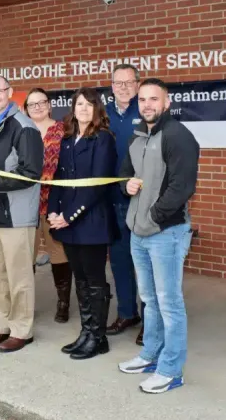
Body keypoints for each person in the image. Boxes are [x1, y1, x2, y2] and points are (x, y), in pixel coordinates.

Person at [116, 78, 199, 394]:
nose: (147, 104)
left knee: (169, 302)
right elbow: (124, 175)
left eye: (154, 99)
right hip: (138, 232)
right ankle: (151, 355)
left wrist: (152, 216)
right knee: (149, 299)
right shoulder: (139, 137)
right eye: (142, 100)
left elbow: (183, 187)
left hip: (166, 232)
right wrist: (127, 186)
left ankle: (171, 370)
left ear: (166, 102)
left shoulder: (178, 136)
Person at [0, 75, 44, 353]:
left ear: (10, 93)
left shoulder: (24, 127)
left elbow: (30, 173)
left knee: (19, 275)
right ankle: (0, 325)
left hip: (15, 214)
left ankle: (21, 329)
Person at [48, 88, 117, 360]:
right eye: (79, 104)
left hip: (92, 221)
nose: (84, 109)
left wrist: (69, 215)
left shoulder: (103, 139)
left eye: (90, 105)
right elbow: (58, 179)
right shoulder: (67, 140)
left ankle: (98, 338)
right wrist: (53, 212)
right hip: (69, 224)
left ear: (97, 109)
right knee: (82, 281)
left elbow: (97, 186)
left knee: (95, 280)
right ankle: (86, 333)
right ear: (72, 108)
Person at [105, 64, 145, 344]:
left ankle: (150, 319)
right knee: (119, 261)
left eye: (128, 82)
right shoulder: (102, 115)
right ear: (111, 86)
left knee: (145, 264)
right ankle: (127, 312)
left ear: (138, 84)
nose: (123, 87)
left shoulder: (146, 112)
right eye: (118, 83)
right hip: (112, 200)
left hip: (141, 200)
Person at [23, 88, 71, 323]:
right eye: (32, 105)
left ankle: (63, 303)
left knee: (58, 251)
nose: (38, 107)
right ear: (26, 109)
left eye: (42, 102)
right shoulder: (23, 132)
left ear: (50, 105)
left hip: (55, 201)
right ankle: (25, 304)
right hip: (25, 203)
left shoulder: (63, 130)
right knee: (25, 254)